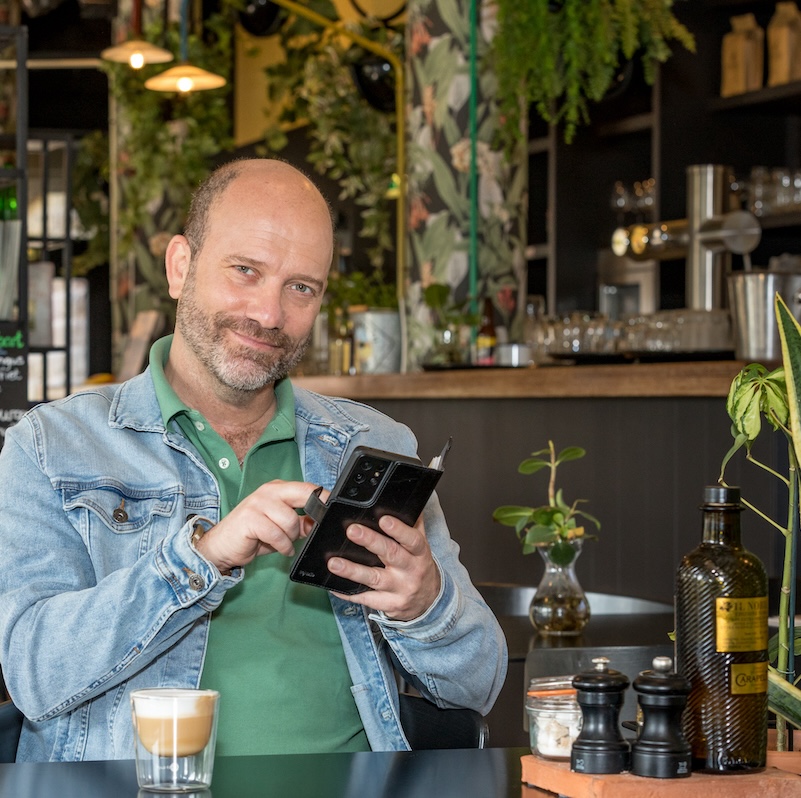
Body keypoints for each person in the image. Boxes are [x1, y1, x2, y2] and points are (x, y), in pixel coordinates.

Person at [0, 158, 507, 761]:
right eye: (245, 271)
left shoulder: (373, 444)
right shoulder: (51, 446)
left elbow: (482, 684)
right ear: (180, 267)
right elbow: (34, 677)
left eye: (302, 287)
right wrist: (201, 558)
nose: (270, 315)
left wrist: (425, 606)